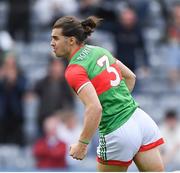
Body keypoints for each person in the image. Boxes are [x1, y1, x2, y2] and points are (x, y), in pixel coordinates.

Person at [50, 15, 165, 172]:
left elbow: (94, 108)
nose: (52, 43)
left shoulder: (74, 70)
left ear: (71, 40)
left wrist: (82, 145)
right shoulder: (98, 50)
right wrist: (117, 101)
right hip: (140, 120)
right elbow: (131, 76)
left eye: (56, 38)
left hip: (117, 130)